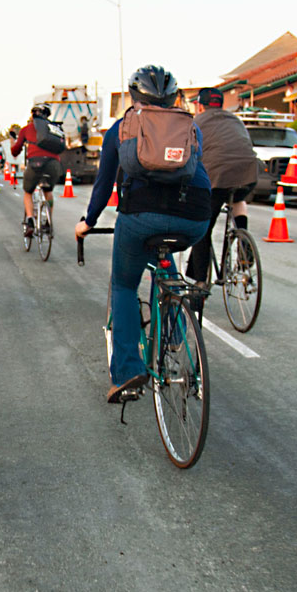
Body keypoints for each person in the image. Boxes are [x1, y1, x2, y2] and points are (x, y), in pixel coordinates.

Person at [74, 65, 212, 403]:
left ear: (134, 97)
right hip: (195, 216)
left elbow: (105, 183)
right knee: (166, 260)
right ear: (173, 97)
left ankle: (127, 372)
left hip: (141, 217)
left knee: (123, 285)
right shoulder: (190, 127)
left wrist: (88, 221)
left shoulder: (121, 129)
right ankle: (177, 332)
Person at [185, 87, 259, 284]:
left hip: (216, 176)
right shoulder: (235, 120)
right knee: (238, 197)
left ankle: (200, 281)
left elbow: (188, 154)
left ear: (200, 105)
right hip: (248, 172)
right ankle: (243, 241)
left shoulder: (196, 123)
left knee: (204, 228)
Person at [10, 104, 62, 237]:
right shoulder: (54, 128)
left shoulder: (26, 129)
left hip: (36, 163)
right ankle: (48, 221)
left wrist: (13, 144)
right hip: (54, 165)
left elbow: (15, 151)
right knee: (48, 191)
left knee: (28, 192)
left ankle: (30, 221)